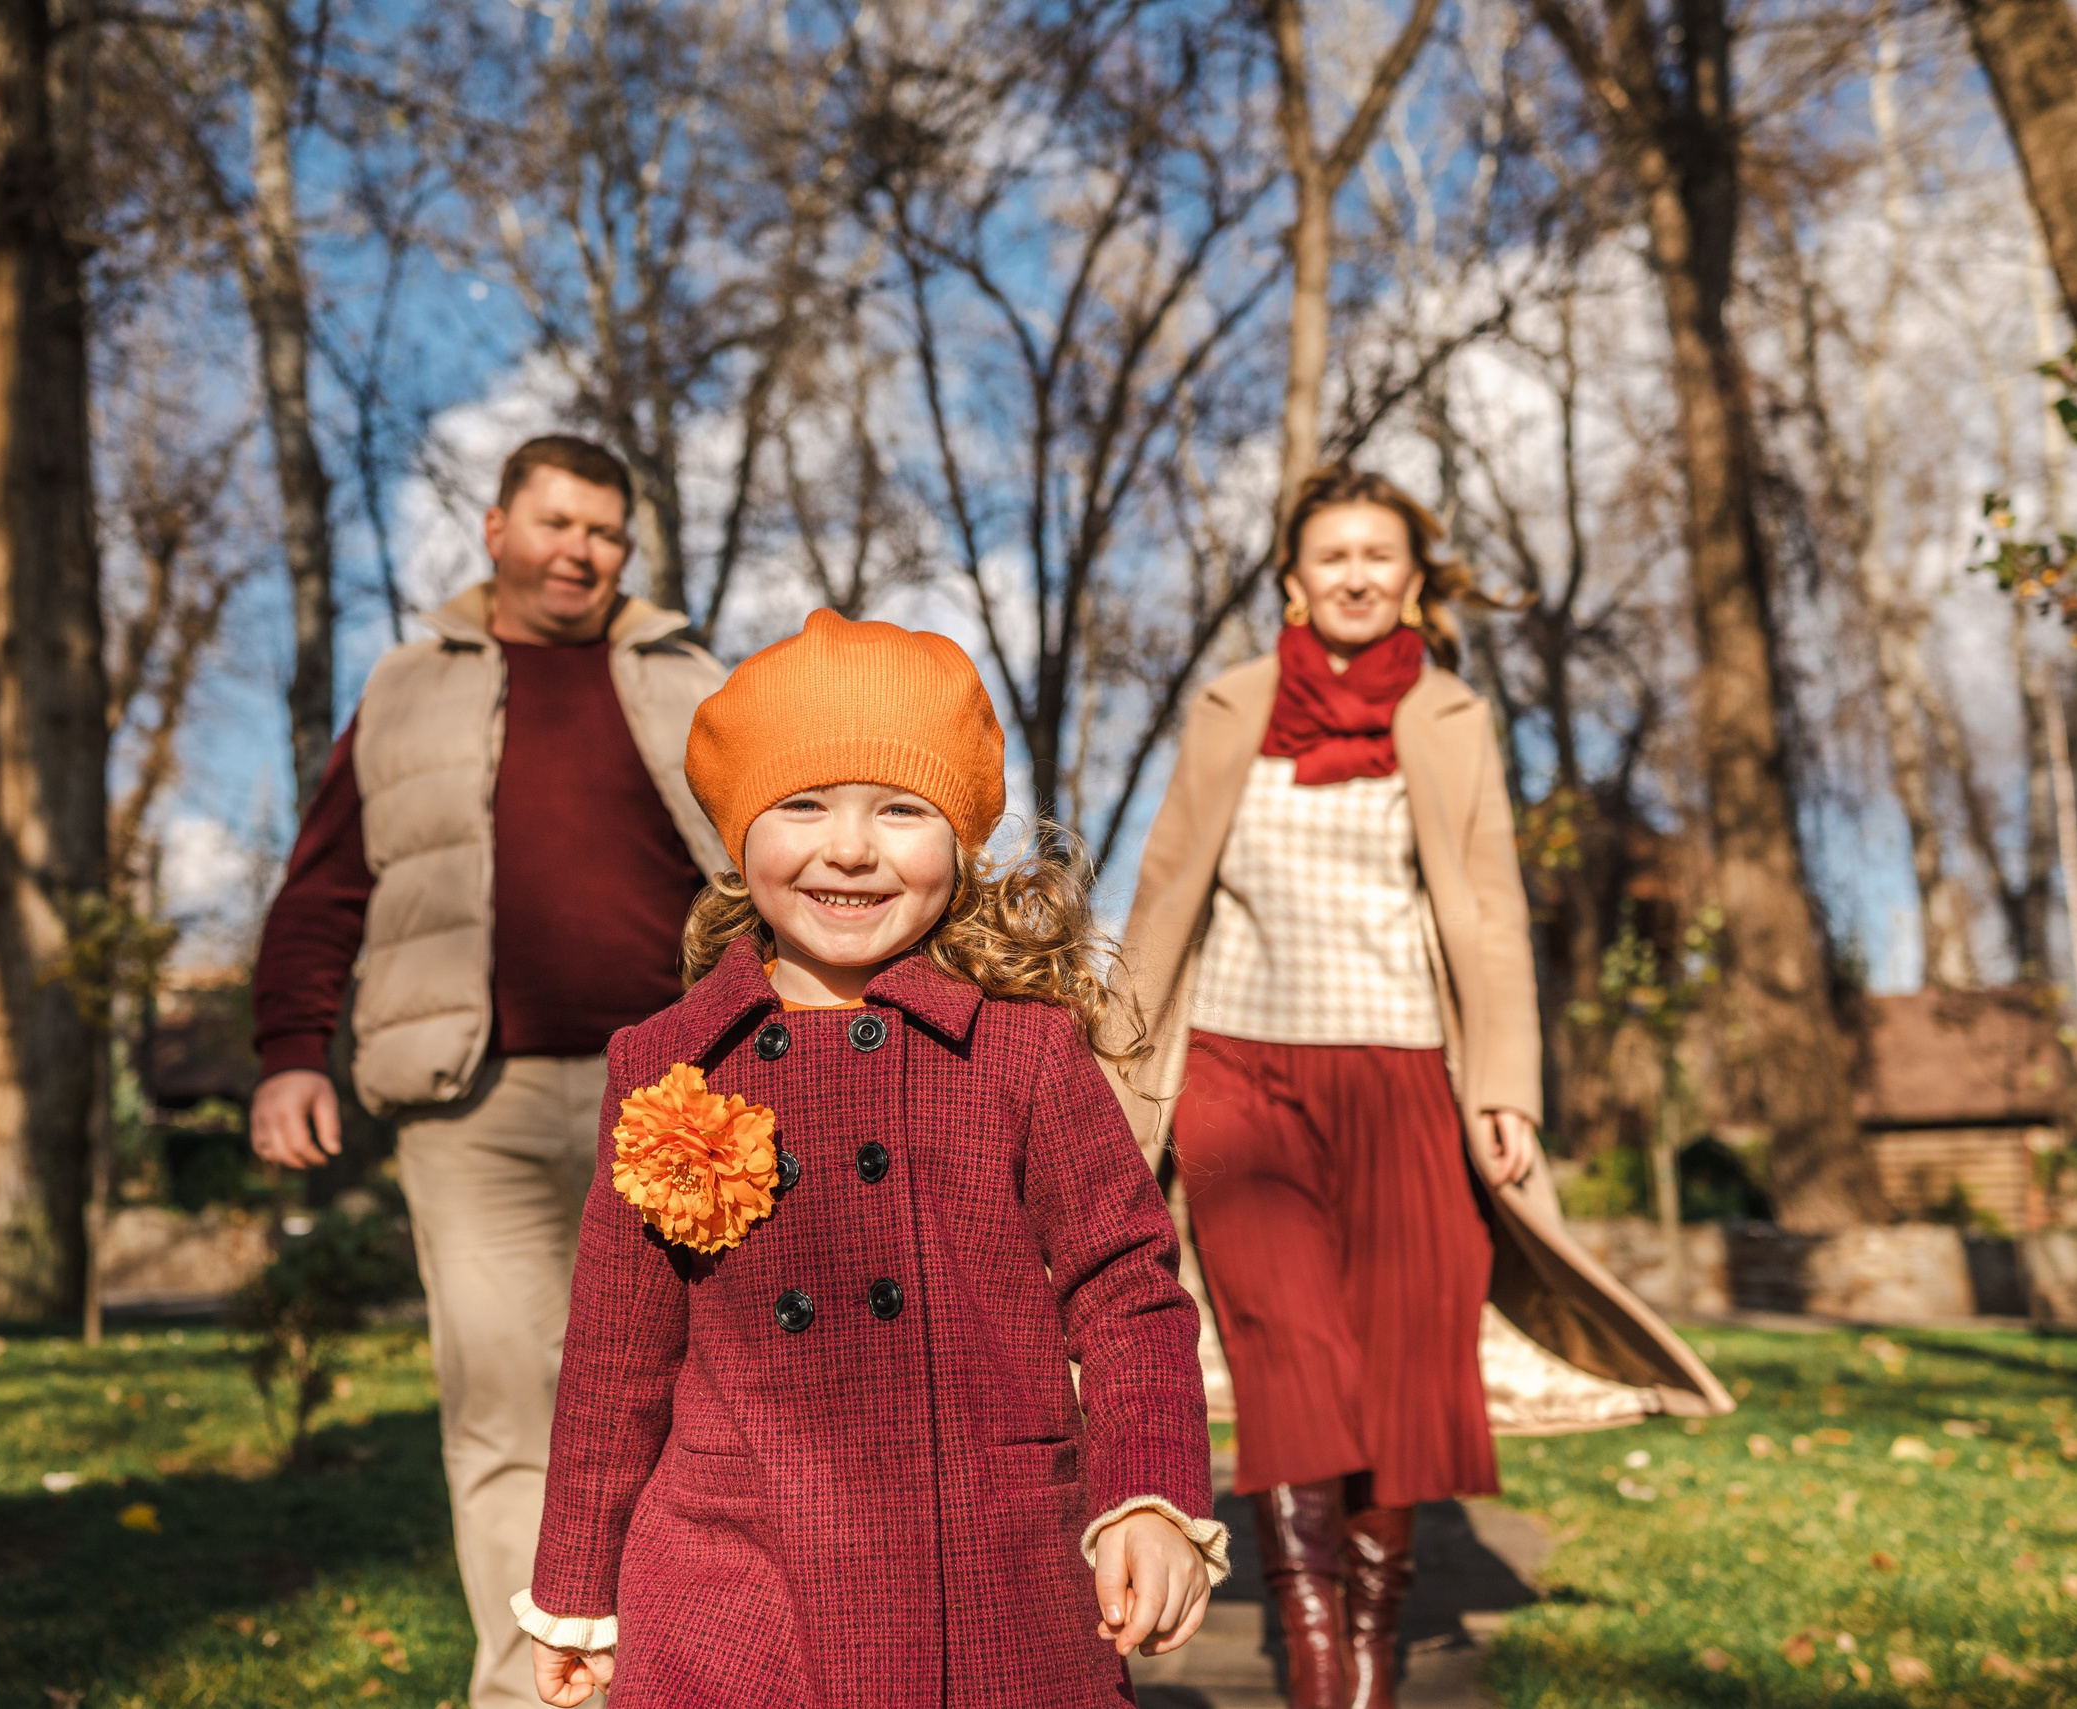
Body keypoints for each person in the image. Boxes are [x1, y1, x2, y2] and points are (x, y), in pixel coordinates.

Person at [516, 611, 1227, 1708]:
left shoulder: (1019, 1049)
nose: (850, 847)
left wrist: (1147, 1496)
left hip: (992, 1564)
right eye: (801, 804)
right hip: (729, 1577)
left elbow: (1127, 1289)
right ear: (738, 833)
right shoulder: (661, 1063)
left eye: (901, 810)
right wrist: (577, 1587)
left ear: (961, 845)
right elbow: (616, 1360)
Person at [1111, 467, 1731, 1709]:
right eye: (1328, 554)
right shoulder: (1229, 706)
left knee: (1400, 1372)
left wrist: (1504, 1084)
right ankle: (1317, 1655)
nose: (1352, 573)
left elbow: (1494, 914)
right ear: (1292, 578)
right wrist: (1122, 1077)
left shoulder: (1449, 716)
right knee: (1290, 1354)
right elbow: (1166, 888)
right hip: (1241, 1069)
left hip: (1408, 1076)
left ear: (1408, 579)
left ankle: (1370, 1660)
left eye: (1375, 555)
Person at [249, 434, 729, 1709]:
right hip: (474, 1102)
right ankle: (533, 1695)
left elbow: (778, 869)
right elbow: (323, 887)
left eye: (605, 531)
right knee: (512, 1414)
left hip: (686, 1102)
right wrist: (292, 1053)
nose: (579, 550)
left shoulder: (694, 681)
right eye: (556, 522)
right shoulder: (407, 686)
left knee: (698, 1404)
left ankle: (684, 1672)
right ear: (495, 528)